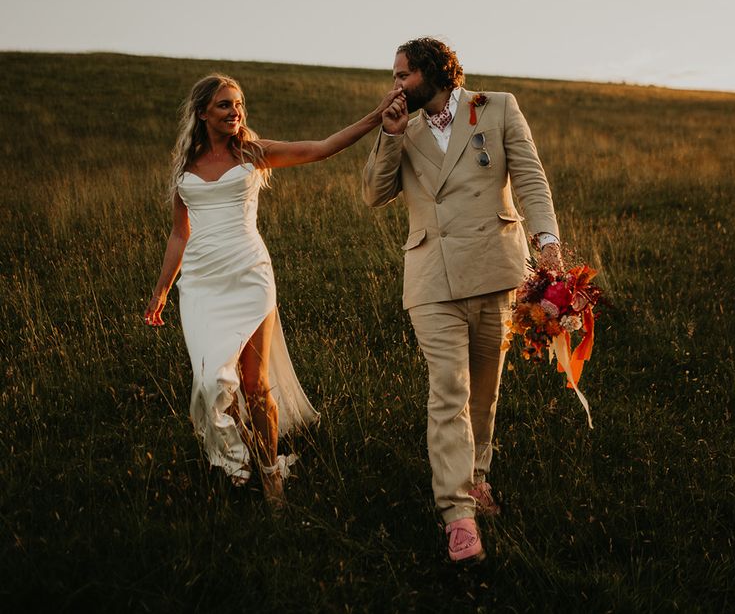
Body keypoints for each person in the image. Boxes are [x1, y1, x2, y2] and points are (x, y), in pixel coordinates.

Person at [144, 73, 405, 505]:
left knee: (254, 385)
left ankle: (269, 476)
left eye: (239, 104)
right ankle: (237, 458)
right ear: (203, 112)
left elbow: (322, 149)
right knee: (211, 382)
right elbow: (178, 235)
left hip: (249, 274)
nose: (235, 112)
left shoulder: (253, 153)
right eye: (225, 105)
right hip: (200, 284)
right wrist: (160, 292)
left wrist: (377, 116)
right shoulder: (184, 170)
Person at [362, 38, 562, 561]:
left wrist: (547, 243)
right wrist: (389, 136)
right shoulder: (403, 128)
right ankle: (458, 514)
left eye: (403, 74)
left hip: (495, 267)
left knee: (484, 391)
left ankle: (477, 477)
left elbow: (531, 179)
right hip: (430, 275)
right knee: (447, 389)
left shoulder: (496, 107)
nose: (396, 85)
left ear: (430, 71)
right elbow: (373, 194)